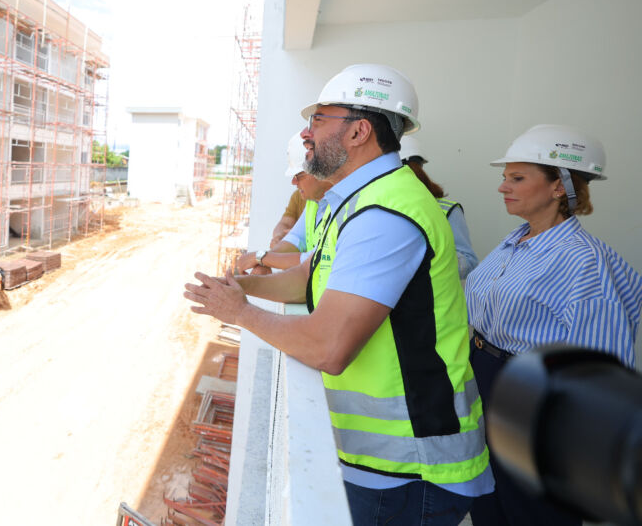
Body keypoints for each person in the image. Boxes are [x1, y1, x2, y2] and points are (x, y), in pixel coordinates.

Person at [185, 64, 492, 526]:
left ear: (359, 131)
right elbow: (309, 277)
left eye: (319, 119)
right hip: (386, 464)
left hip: (410, 468)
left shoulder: (386, 213)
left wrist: (241, 312)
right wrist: (243, 286)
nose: (306, 133)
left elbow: (329, 347)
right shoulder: (356, 201)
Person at [464, 124, 642, 526]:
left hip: (534, 399)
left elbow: (601, 363)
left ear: (559, 187)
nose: (503, 187)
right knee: (489, 503)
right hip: (487, 383)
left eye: (517, 178)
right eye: (504, 177)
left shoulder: (585, 262)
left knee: (532, 511)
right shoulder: (515, 242)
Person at [235, 132, 331, 274]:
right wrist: (263, 259)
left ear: (320, 171)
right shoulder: (314, 202)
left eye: (298, 175)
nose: (294, 182)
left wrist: (262, 258)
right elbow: (295, 238)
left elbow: (315, 260)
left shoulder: (343, 205)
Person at [399, 135, 479, 278]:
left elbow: (469, 262)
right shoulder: (380, 205)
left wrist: (425, 257)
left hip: (435, 298)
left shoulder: (447, 210)